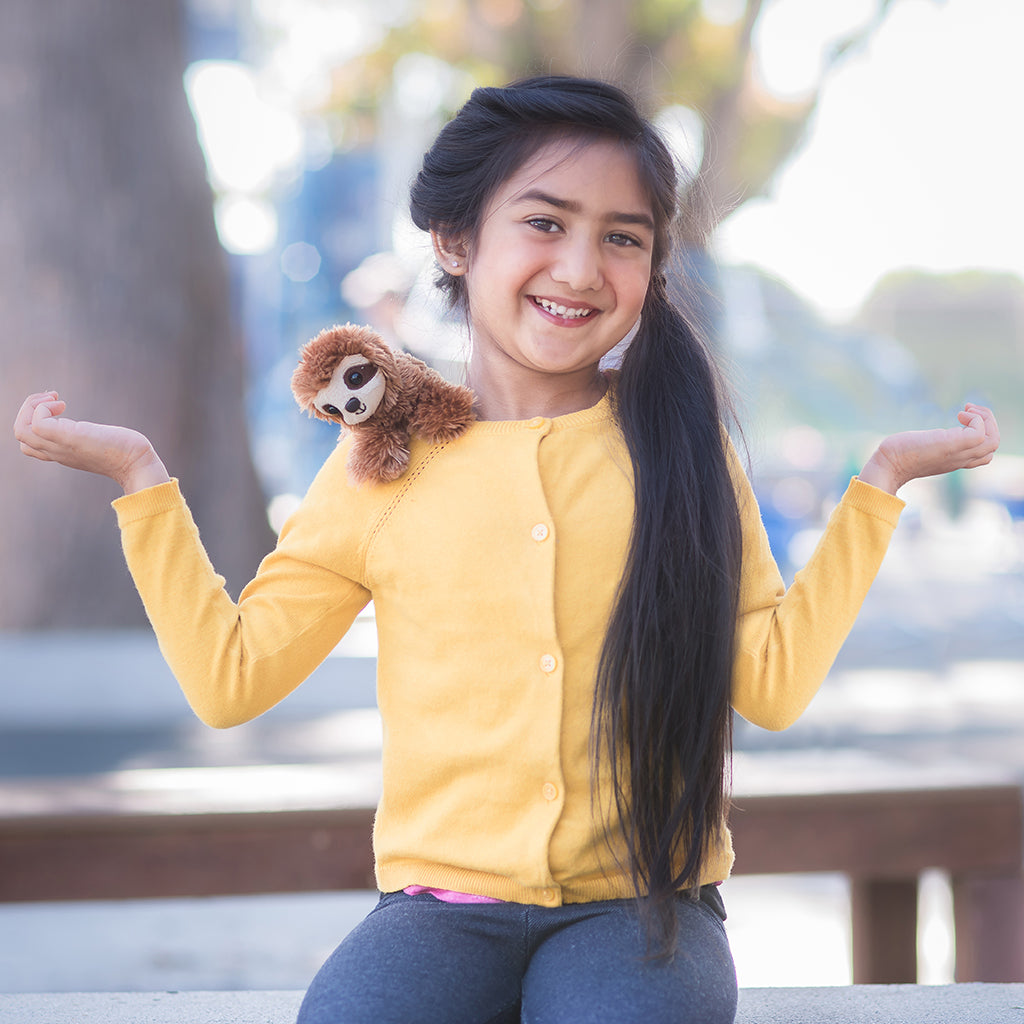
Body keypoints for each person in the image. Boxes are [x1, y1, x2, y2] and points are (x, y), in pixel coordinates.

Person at [14, 76, 999, 1024]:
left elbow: (772, 683)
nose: (579, 268)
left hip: (644, 909)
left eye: (622, 237)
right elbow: (231, 679)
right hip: (442, 911)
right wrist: (142, 481)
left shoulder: (685, 453)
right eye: (544, 221)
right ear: (454, 239)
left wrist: (877, 487)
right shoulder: (380, 466)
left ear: (652, 269)